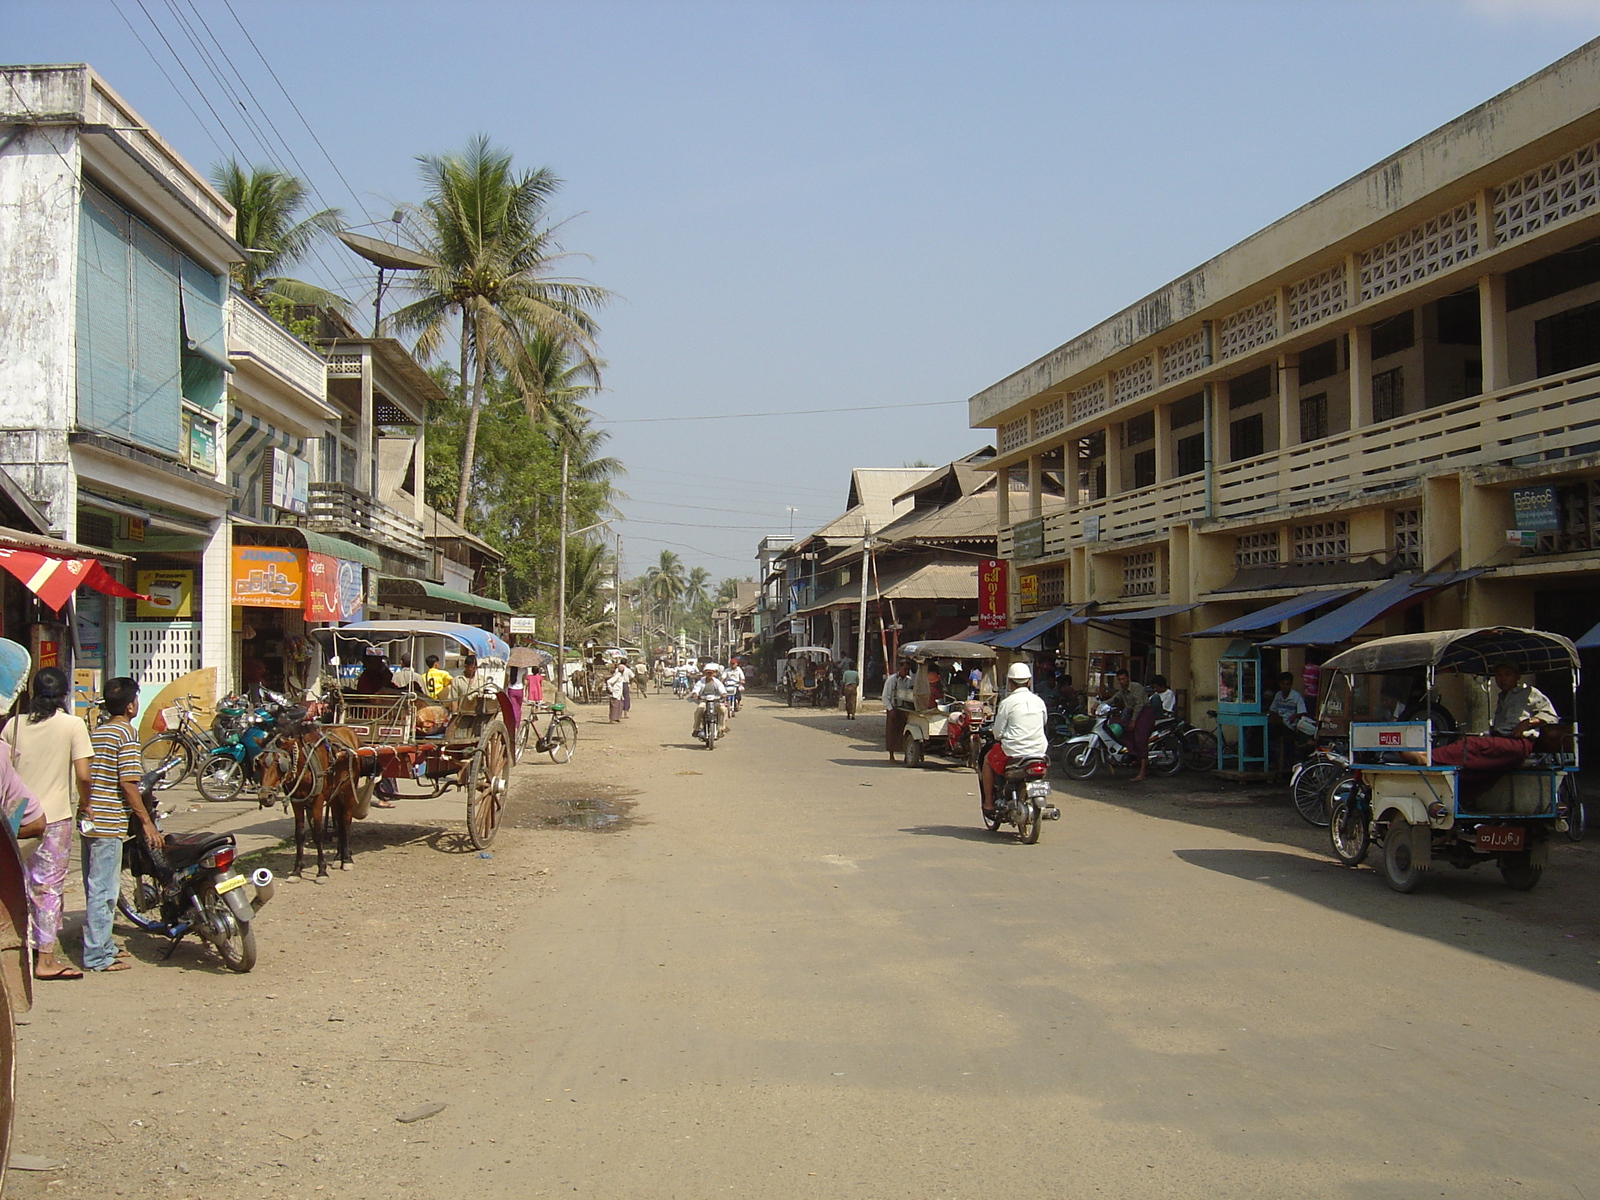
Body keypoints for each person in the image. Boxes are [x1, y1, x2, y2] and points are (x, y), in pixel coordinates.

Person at [2, 666, 92, 980]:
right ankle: (45, 959)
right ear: (65, 694)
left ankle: (19, 952)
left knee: (18, 885)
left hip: (17, 819)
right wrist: (86, 803)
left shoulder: (13, 725)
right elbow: (83, 775)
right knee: (49, 888)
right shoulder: (73, 725)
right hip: (54, 818)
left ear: (31, 693)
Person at [81, 677, 159, 972]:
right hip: (109, 819)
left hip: (89, 820)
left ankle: (102, 944)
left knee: (94, 887)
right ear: (130, 706)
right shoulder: (126, 733)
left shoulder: (98, 733)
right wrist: (146, 822)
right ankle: (96, 957)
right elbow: (128, 782)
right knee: (104, 890)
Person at [980, 662, 1050, 816]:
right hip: (1039, 751)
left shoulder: (1007, 703)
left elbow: (998, 733)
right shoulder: (1039, 702)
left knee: (987, 759)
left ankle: (989, 803)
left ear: (1010, 683)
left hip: (1013, 751)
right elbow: (1044, 722)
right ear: (1029, 681)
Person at [1107, 669, 1155, 780]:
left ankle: (1142, 772)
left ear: (1128, 678)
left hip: (1144, 713)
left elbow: (1139, 705)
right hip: (1132, 714)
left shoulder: (1136, 687)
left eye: (1123, 679)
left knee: (1140, 739)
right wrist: (1098, 705)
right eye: (1119, 680)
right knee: (1121, 730)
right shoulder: (1122, 691)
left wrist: (1133, 720)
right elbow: (1112, 700)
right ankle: (1133, 756)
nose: (1121, 681)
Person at [881, 659, 915, 762]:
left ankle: (905, 755)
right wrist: (890, 709)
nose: (906, 671)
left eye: (908, 669)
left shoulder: (909, 680)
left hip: (904, 709)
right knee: (892, 732)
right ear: (899, 668)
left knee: (904, 733)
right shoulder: (891, 680)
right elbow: (885, 696)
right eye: (905, 669)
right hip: (893, 709)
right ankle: (891, 755)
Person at [689, 663, 728, 740]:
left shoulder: (717, 682)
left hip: (715, 702)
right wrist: (695, 694)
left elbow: (722, 689)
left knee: (723, 710)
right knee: (699, 709)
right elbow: (696, 689)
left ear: (715, 673)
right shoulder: (701, 681)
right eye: (708, 672)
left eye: (711, 672)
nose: (710, 674)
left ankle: (721, 729)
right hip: (704, 701)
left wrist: (723, 694)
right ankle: (696, 729)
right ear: (705, 673)